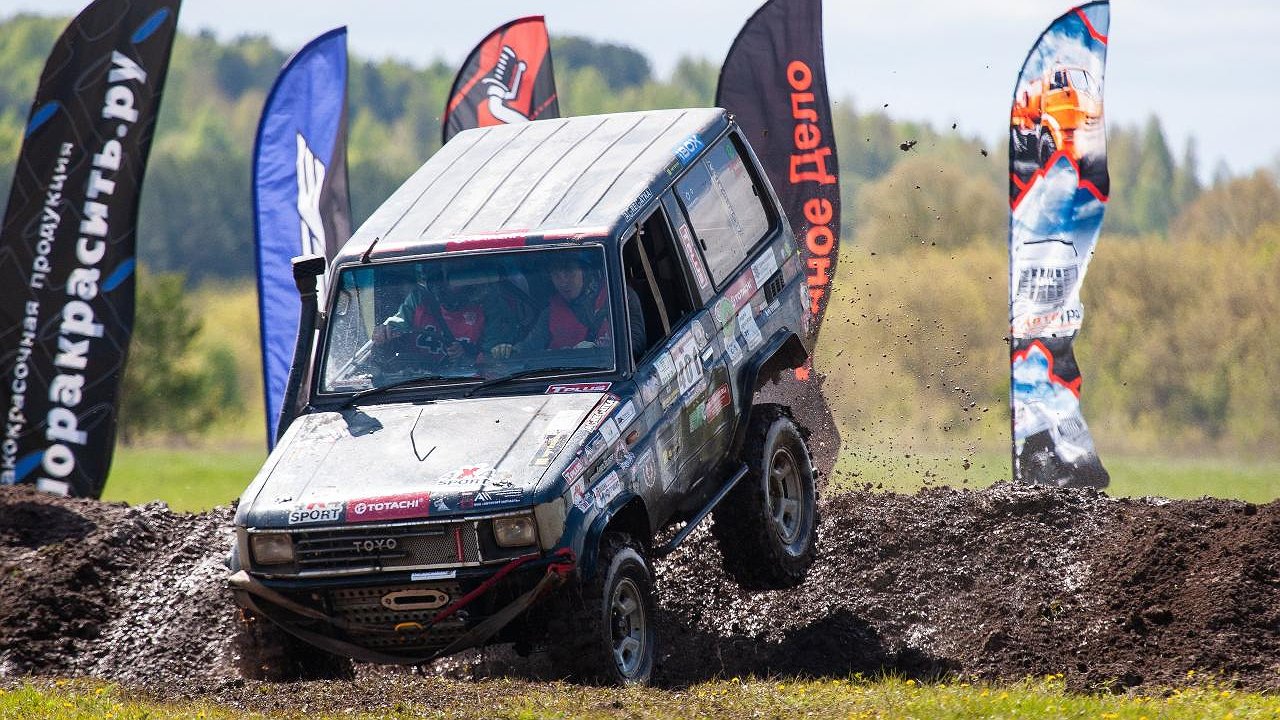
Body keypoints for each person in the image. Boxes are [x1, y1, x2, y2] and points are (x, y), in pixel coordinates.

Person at [372, 263, 523, 371]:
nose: (455, 285)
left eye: (462, 274)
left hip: (466, 380)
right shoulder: (420, 299)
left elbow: (493, 357)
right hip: (415, 378)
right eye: (450, 275)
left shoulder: (489, 305)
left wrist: (467, 355)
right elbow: (397, 325)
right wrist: (384, 332)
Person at [515, 252, 645, 357]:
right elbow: (529, 347)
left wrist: (598, 351)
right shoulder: (549, 313)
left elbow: (636, 344)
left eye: (569, 271)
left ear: (585, 271)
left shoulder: (620, 297)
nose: (563, 282)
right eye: (556, 275)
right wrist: (511, 351)